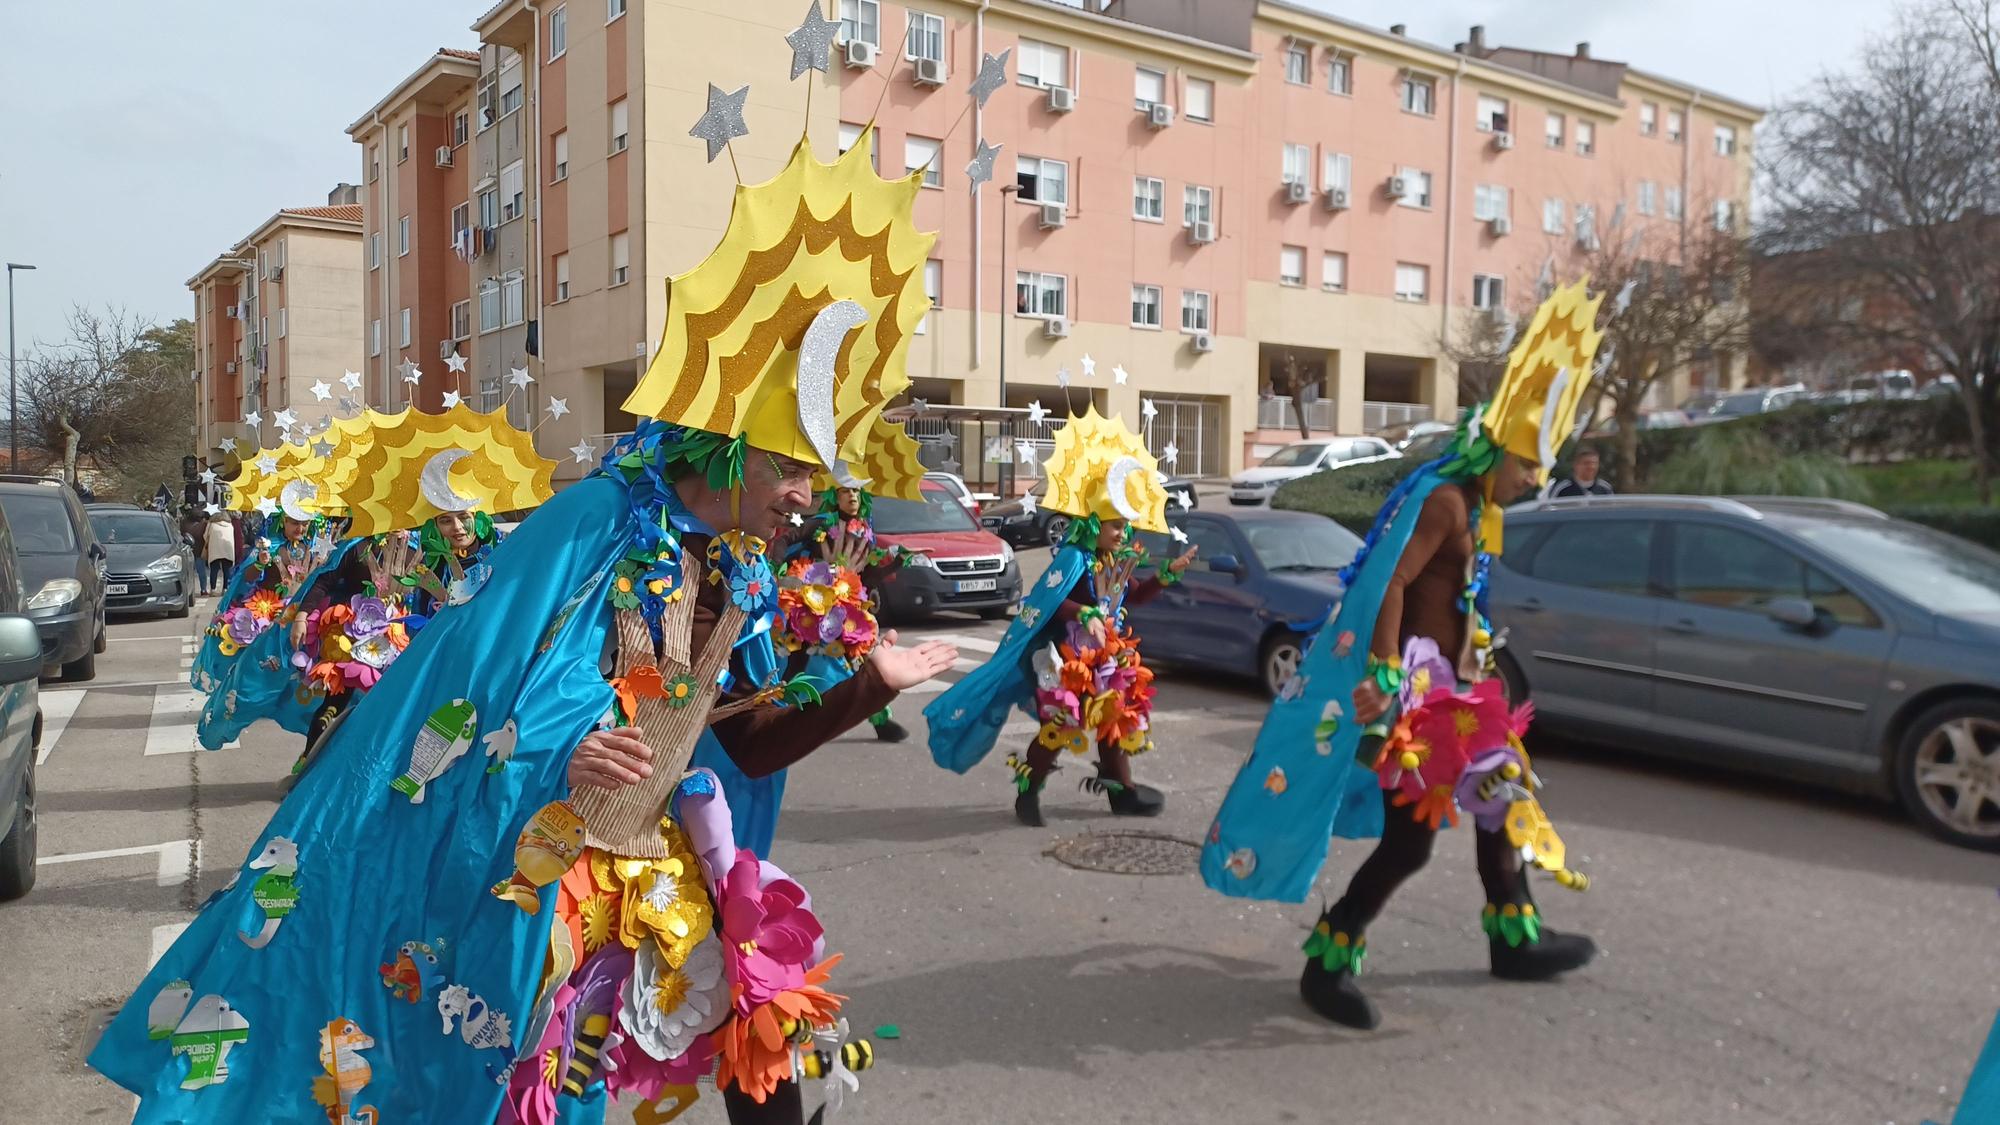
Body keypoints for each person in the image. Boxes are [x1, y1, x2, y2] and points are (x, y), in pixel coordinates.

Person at [94, 122, 957, 1125]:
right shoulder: (591, 522)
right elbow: (473, 689)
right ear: (732, 451)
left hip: (646, 859)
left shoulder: (741, 570)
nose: (804, 498)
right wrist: (562, 755)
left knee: (764, 1030)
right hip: (537, 870)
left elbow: (736, 750)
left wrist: (871, 686)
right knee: (519, 1086)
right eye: (795, 468)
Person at [1201, 281, 1607, 1031]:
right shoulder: (1449, 501)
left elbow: (1457, 599)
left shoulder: (1481, 510)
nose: (1533, 481)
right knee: (1411, 843)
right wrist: (1386, 672)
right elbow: (1390, 581)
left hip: (1456, 693)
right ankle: (1328, 960)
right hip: (1414, 701)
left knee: (1502, 804)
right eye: (1528, 465)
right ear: (1499, 446)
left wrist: (1476, 654)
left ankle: (1513, 935)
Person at [928, 405, 1195, 827]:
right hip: (1063, 661)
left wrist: (1165, 575)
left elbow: (1134, 596)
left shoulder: (1118, 559)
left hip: (1108, 658)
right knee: (1059, 728)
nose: (1122, 533)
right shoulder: (1074, 558)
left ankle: (1121, 793)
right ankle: (1028, 793)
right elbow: (1046, 602)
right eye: (1113, 526)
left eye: (1125, 526)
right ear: (1092, 523)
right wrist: (1083, 610)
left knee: (1113, 725)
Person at [1544, 446, 1613, 499]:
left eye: (1594, 463)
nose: (1591, 467)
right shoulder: (1562, 488)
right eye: (1586, 463)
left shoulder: (1605, 488)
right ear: (1576, 465)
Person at [202, 512, 236, 596]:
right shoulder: (230, 525)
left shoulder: (212, 524)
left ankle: (213, 590)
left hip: (215, 549)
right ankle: (225, 588)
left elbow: (205, 536)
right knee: (226, 570)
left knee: (214, 570)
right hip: (228, 549)